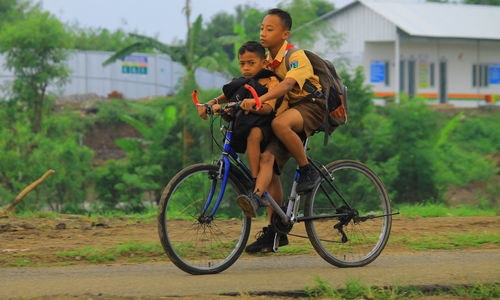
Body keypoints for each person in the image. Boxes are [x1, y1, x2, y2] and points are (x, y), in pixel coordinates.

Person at [236, 8, 326, 253]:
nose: (263, 33)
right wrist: (217, 103)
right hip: (286, 111)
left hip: (311, 106)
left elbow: (288, 84)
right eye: (262, 28)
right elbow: (245, 83)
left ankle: (307, 170)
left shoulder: (294, 55)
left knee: (278, 124)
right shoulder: (265, 60)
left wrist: (260, 99)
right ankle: (276, 229)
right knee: (268, 160)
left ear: (285, 33)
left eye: (270, 29)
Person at [197, 41, 287, 223]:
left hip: (272, 127)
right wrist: (211, 105)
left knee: (254, 135)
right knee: (268, 168)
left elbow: (269, 108)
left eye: (251, 63)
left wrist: (252, 105)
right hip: (251, 127)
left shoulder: (271, 80)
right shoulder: (240, 84)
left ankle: (255, 186)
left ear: (264, 63)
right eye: (242, 63)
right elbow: (224, 98)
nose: (246, 68)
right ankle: (274, 224)